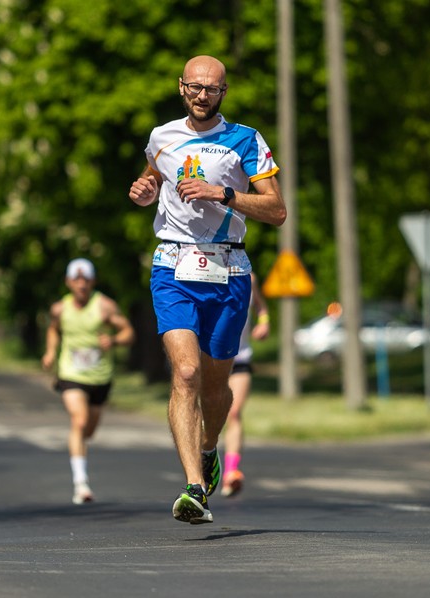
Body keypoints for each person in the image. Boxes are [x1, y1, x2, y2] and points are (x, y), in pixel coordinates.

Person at [128, 55, 286, 524]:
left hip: (229, 270)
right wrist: (145, 191)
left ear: (224, 92)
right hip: (173, 264)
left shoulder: (246, 140)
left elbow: (277, 211)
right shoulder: (161, 137)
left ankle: (210, 447)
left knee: (217, 388)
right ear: (181, 88)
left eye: (211, 89)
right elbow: (154, 177)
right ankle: (194, 488)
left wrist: (225, 195)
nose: (202, 95)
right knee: (186, 373)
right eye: (195, 87)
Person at [41, 258, 135, 505]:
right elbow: (53, 329)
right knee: (79, 420)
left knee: (88, 430)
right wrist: (51, 351)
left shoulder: (104, 306)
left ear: (93, 281)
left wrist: (113, 341)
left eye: (86, 279)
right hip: (71, 374)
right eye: (76, 279)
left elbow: (128, 332)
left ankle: (80, 455)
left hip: (100, 377)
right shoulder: (60, 309)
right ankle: (80, 482)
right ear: (68, 282)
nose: (81, 284)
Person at [221, 273, 270, 497]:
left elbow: (261, 307)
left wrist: (264, 323)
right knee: (208, 416)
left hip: (240, 359)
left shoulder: (250, 279)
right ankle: (204, 465)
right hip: (212, 359)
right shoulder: (204, 270)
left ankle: (231, 472)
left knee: (234, 413)